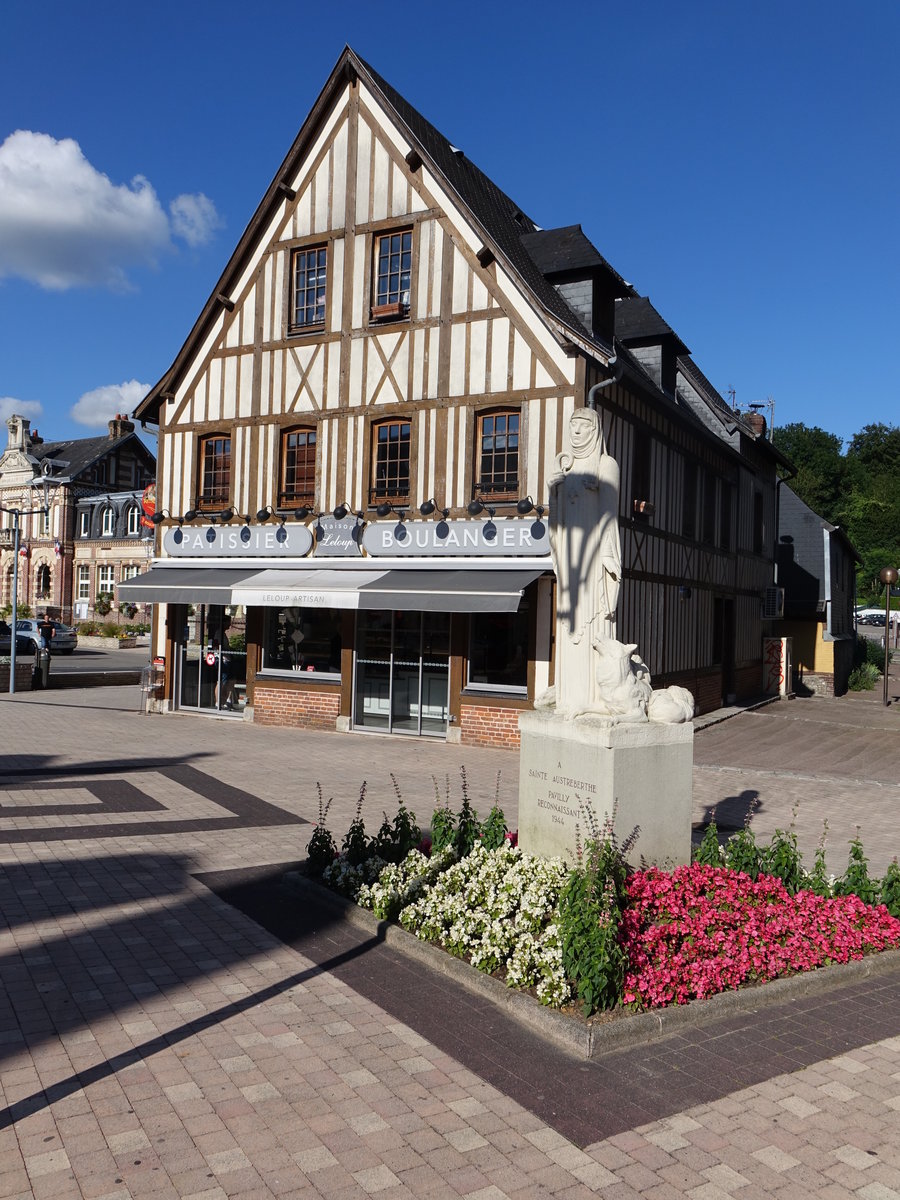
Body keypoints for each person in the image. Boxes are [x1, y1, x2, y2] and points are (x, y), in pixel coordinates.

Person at [545, 406, 622, 717]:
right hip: (568, 554)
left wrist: (607, 553)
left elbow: (609, 512)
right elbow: (556, 518)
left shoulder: (606, 464)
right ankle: (568, 697)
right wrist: (554, 487)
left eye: (583, 426)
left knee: (592, 617)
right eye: (572, 425)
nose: (576, 432)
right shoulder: (565, 466)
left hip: (592, 554)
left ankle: (593, 699)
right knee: (568, 621)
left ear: (595, 430)